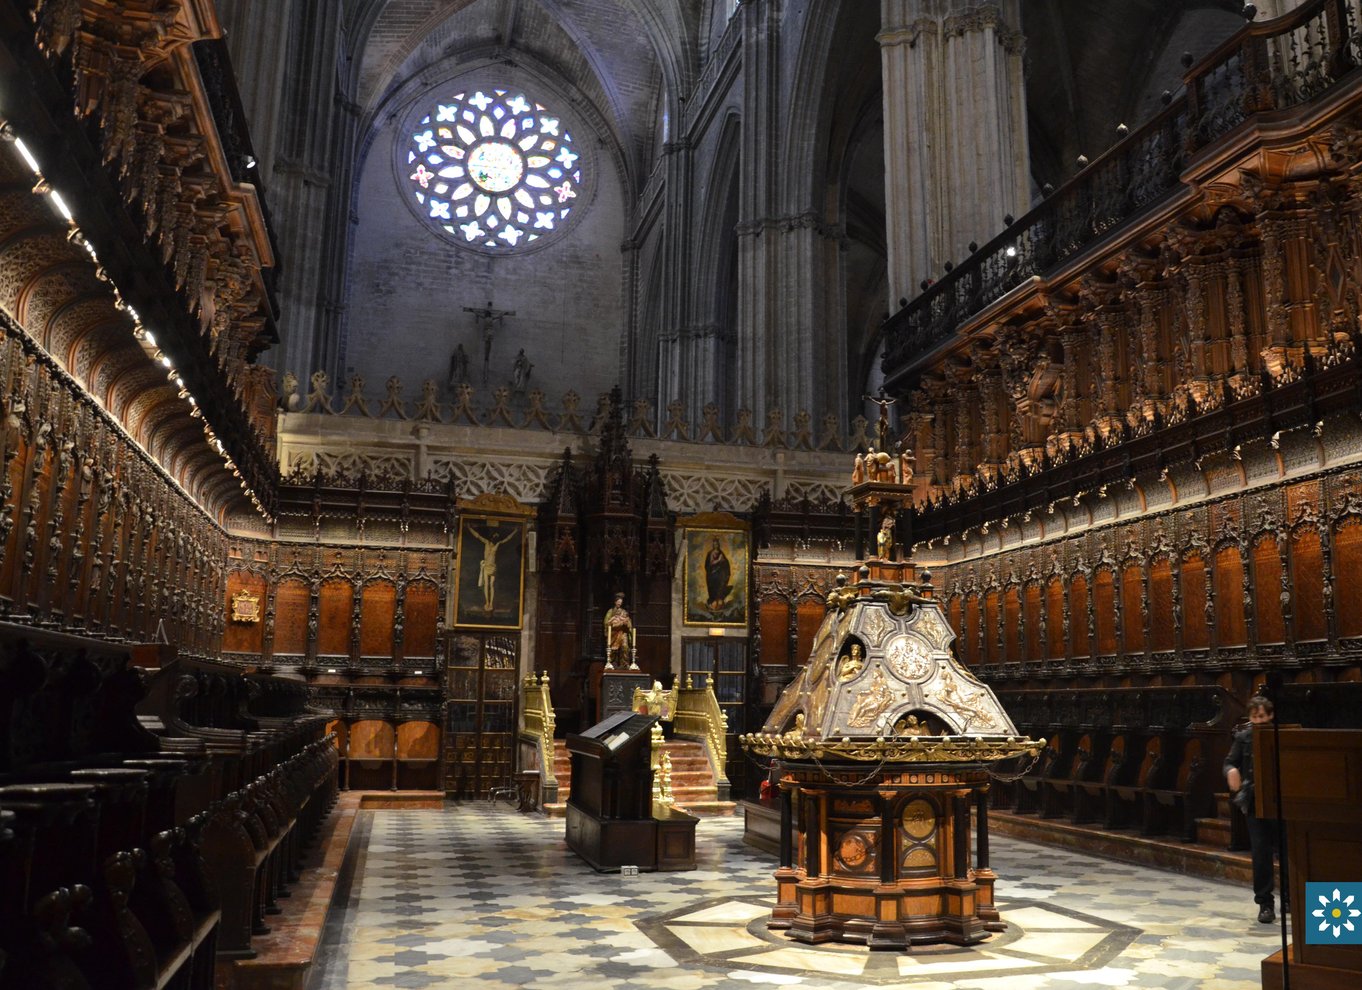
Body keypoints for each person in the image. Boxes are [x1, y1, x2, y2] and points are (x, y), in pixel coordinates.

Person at [1224, 695, 1283, 924]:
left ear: (1271, 715)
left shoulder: (1282, 735)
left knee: (1287, 851)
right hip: (1255, 800)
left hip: (1281, 801)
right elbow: (1229, 762)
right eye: (1255, 716)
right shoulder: (1243, 737)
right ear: (1250, 718)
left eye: (1264, 716)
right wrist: (1231, 771)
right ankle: (1265, 903)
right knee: (1260, 852)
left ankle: (1289, 897)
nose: (1260, 720)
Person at [469, 524, 515, 612]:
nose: (496, 538)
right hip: (486, 566)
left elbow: (507, 539)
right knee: (486, 585)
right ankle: (487, 602)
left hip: (493, 567)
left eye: (497, 537)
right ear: (492, 537)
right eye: (495, 536)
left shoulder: (497, 544)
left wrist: (515, 531)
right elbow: (477, 536)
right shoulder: (486, 542)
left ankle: (491, 603)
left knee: (492, 585)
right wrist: (469, 528)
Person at [603, 593, 635, 668]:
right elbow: (606, 623)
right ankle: (611, 662)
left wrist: (625, 622)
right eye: (618, 602)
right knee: (612, 649)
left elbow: (628, 622)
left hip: (622, 633)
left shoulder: (624, 612)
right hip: (613, 633)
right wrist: (613, 621)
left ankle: (624, 664)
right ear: (615, 602)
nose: (619, 604)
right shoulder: (610, 611)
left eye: (620, 602)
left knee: (625, 647)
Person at [704, 537, 731, 612]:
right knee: (713, 589)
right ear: (713, 545)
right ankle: (713, 604)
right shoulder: (710, 553)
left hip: (719, 575)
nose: (716, 545)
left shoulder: (721, 553)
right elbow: (709, 564)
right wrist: (718, 560)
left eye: (717, 544)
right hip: (712, 575)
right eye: (714, 544)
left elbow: (726, 564)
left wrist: (726, 572)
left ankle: (719, 604)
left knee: (720, 589)